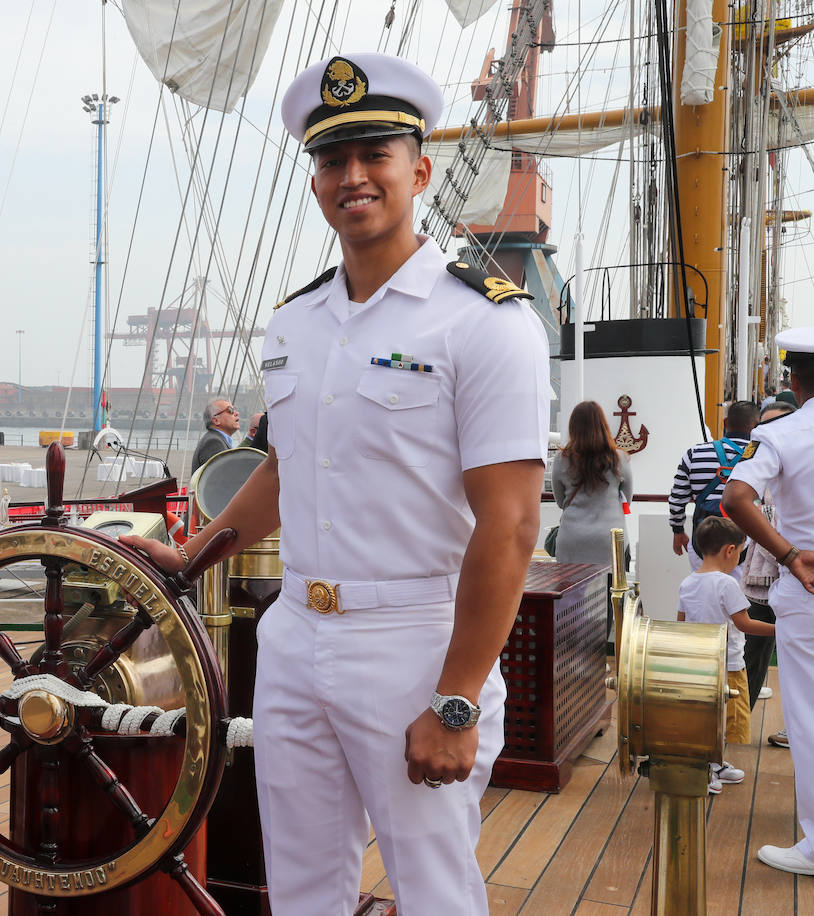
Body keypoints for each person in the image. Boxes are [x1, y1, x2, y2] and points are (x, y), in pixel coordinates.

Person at [124, 52, 549, 915]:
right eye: (331, 161)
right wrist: (190, 558)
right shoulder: (295, 324)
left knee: (434, 888)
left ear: (419, 170)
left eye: (374, 156)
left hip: (416, 642)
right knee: (303, 885)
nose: (352, 177)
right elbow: (283, 475)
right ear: (316, 180)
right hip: (293, 644)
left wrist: (458, 698)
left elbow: (507, 526)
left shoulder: (486, 321)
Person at [723, 325, 814, 875]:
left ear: (793, 377)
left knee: (807, 715)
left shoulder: (784, 435)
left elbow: (736, 497)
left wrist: (787, 555)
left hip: (808, 586)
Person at [675, 516, 775, 793]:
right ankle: (702, 769)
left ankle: (713, 763)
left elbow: (681, 624)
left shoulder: (687, 583)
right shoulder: (728, 584)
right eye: (740, 554)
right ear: (729, 550)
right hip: (727, 664)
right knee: (723, 717)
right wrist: (781, 629)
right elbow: (744, 623)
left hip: (696, 663)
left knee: (704, 716)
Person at [741, 401, 798, 722]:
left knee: (802, 658)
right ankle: (738, 723)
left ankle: (796, 731)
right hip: (761, 579)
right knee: (753, 651)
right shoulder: (758, 463)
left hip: (799, 577)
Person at [669, 400, 760, 564]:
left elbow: (677, 497)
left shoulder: (694, 453)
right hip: (747, 543)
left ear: (725, 423)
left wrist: (678, 530)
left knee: (702, 588)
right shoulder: (762, 455)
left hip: (702, 542)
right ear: (757, 426)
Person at [552, 401, 633, 566]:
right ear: (603, 425)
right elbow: (627, 499)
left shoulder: (561, 460)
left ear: (573, 427)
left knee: (572, 590)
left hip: (572, 540)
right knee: (613, 589)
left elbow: (561, 502)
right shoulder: (619, 458)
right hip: (610, 540)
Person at [190, 397, 239, 474]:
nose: (236, 413)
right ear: (216, 420)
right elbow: (220, 479)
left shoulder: (217, 439)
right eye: (230, 410)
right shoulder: (213, 442)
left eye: (235, 409)